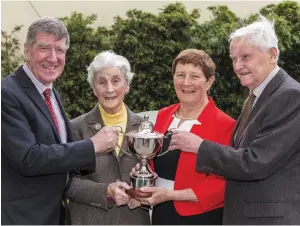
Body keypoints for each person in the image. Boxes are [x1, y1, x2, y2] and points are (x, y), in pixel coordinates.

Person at [169, 15, 300, 224]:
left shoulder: (290, 96)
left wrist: (199, 146)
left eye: (246, 57)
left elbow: (255, 162)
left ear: (272, 54)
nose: (238, 66)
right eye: (234, 58)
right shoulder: (258, 95)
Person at [1, 17, 119, 225]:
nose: (53, 58)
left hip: (55, 215)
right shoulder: (7, 94)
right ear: (27, 51)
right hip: (24, 218)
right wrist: (92, 145)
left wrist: (114, 182)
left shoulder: (51, 93)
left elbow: (60, 153)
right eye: (44, 48)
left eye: (60, 50)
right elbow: (29, 158)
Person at [132, 49, 236, 224]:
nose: (186, 83)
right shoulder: (163, 115)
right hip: (159, 214)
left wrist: (171, 195)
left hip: (200, 217)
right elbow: (152, 159)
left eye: (195, 76)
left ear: (209, 82)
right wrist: (143, 172)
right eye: (180, 75)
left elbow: (223, 184)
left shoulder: (225, 124)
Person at [66, 51, 150, 225]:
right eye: (102, 82)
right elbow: (66, 183)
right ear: (94, 88)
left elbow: (154, 173)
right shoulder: (75, 128)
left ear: (127, 85)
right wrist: (105, 191)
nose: (110, 89)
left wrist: (143, 193)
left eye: (116, 81)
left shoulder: (146, 127)